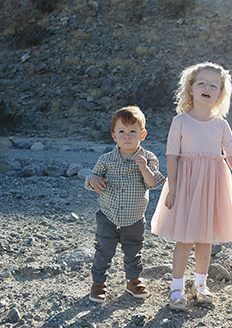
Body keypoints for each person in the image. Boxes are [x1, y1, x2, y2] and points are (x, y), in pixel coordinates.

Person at [149, 62, 232, 310]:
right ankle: (176, 287)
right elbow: (172, 157)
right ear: (191, 89)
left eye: (214, 85)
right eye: (202, 83)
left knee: (205, 238)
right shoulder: (181, 121)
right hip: (186, 185)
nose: (208, 87)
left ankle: (201, 284)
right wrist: (173, 189)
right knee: (184, 238)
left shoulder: (221, 125)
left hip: (212, 187)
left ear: (220, 93)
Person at [84, 106, 166, 303]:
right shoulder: (106, 159)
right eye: (122, 131)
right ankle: (98, 283)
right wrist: (93, 181)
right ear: (114, 136)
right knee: (103, 250)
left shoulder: (148, 158)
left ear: (142, 134)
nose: (127, 136)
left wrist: (144, 169)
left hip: (134, 218)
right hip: (108, 215)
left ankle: (133, 280)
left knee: (133, 251)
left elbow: (153, 183)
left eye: (132, 132)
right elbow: (93, 178)